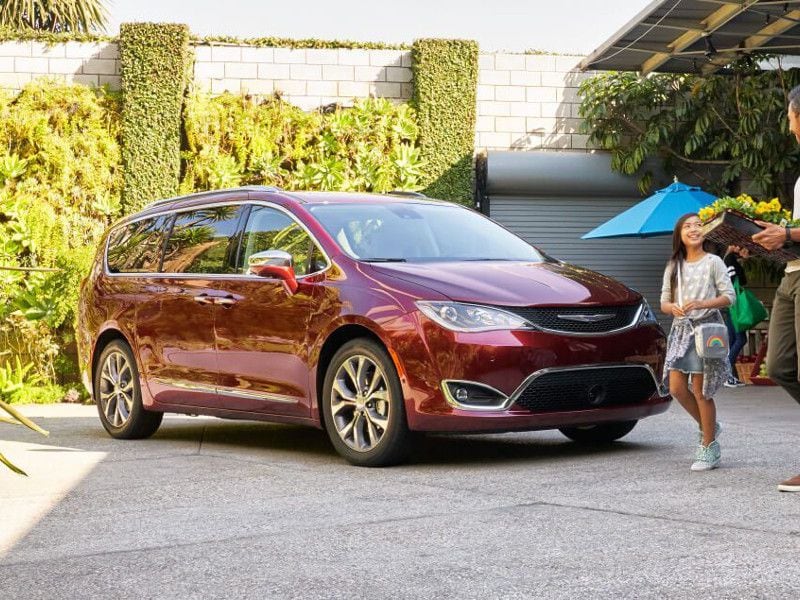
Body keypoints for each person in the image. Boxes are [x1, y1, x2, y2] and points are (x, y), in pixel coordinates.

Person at [752, 84, 800, 492]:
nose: (788, 125)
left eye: (788, 116)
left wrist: (786, 231)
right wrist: (756, 239)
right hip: (792, 273)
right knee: (781, 366)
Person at [660, 213, 735, 471]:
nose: (694, 229)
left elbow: (729, 297)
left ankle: (708, 447)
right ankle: (710, 426)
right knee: (677, 388)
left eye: (698, 225)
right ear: (679, 235)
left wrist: (703, 303)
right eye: (687, 226)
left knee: (701, 390)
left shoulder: (714, 262)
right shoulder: (674, 265)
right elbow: (664, 302)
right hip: (681, 330)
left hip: (706, 330)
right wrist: (673, 308)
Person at [722, 245, 750, 388]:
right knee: (741, 339)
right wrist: (743, 263)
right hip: (735, 305)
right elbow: (738, 282)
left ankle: (731, 376)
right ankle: (726, 372)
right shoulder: (731, 260)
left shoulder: (726, 259)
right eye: (739, 246)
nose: (741, 249)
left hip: (729, 304)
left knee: (733, 340)